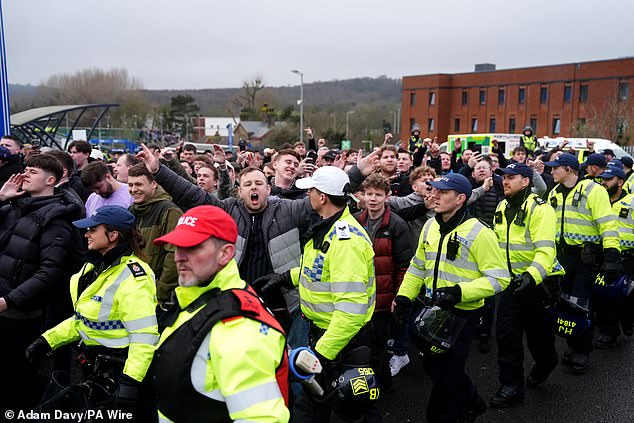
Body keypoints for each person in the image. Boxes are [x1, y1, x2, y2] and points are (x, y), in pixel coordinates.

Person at [253, 166, 379, 423]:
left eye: (311, 190)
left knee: (350, 410)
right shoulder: (326, 228)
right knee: (314, 405)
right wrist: (286, 277)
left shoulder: (346, 242)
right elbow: (320, 271)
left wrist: (319, 354)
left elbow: (351, 313)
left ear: (323, 197)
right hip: (324, 334)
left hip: (341, 342)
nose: (307, 194)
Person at [149, 205, 290, 422]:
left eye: (192, 247)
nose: (179, 257)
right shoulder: (197, 299)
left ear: (225, 254)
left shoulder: (239, 328)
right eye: (177, 247)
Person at [393, 173, 510, 423]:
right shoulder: (430, 226)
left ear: (460, 199)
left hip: (464, 314)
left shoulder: (480, 233)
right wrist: (404, 297)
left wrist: (459, 292)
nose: (433, 195)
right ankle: (472, 401)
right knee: (435, 366)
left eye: (441, 192)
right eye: (433, 190)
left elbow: (500, 279)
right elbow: (417, 266)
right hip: (432, 310)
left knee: (446, 374)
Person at [25, 205, 158, 417]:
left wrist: (130, 384)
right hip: (96, 367)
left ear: (113, 235)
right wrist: (47, 340)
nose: (86, 234)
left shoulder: (134, 278)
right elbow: (83, 318)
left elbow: (144, 337)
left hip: (120, 372)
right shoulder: (94, 266)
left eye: (93, 229)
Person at [0, 155, 84, 412]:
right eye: (24, 169)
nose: (25, 174)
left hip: (18, 313)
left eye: (32, 171)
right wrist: (1, 198)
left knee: (16, 379)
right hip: (4, 306)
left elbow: (49, 272)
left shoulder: (56, 219)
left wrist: (9, 300)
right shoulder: (17, 207)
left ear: (51, 180)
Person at [489, 163, 561, 408]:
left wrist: (530, 276)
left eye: (511, 177)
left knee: (538, 334)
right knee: (506, 334)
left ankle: (547, 362)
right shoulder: (501, 206)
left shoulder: (541, 209)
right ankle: (511, 386)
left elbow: (545, 251)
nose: (505, 182)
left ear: (526, 181)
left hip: (536, 283)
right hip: (510, 284)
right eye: (503, 178)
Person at [544, 153, 620, 374]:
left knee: (580, 303)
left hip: (586, 259)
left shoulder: (593, 190)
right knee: (565, 302)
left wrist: (611, 255)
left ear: (568, 170)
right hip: (562, 258)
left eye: (555, 168)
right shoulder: (554, 193)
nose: (551, 172)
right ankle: (573, 343)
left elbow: (607, 224)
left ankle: (582, 350)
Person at [354, 173, 413, 392]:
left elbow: (404, 266)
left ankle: (376, 391)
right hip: (360, 297)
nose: (372, 199)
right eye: (368, 194)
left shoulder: (397, 225)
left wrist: (399, 297)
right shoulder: (355, 221)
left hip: (383, 298)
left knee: (376, 349)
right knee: (365, 346)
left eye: (378, 194)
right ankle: (384, 384)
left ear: (386, 197)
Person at [127, 163, 182, 307]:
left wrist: (161, 292)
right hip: (134, 290)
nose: (133, 189)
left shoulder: (169, 211)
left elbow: (174, 256)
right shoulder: (131, 210)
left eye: (138, 184)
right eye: (130, 185)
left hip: (156, 295)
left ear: (154, 185)